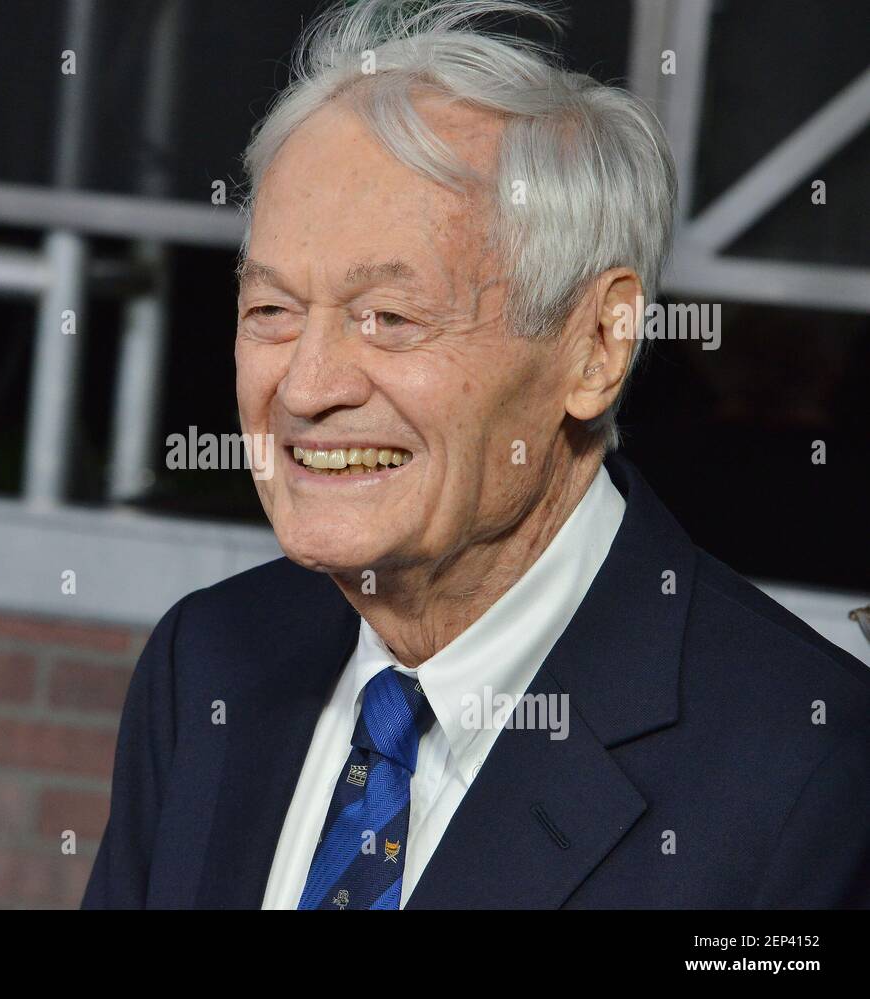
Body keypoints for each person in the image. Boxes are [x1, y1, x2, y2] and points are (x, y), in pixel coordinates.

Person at [83, 0, 870, 909]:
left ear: (596, 347)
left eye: (390, 317)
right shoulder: (207, 663)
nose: (304, 387)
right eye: (271, 310)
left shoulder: (808, 772)